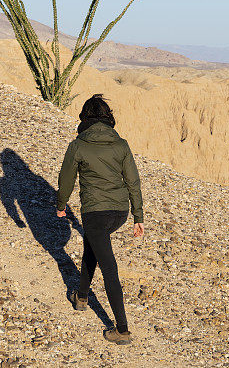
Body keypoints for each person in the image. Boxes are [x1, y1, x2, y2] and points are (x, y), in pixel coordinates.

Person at [56, 94, 144, 345]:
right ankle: (81, 297)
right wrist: (138, 216)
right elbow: (133, 182)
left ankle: (122, 330)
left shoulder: (78, 145)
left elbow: (66, 181)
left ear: (85, 117)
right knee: (92, 248)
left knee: (109, 269)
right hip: (119, 213)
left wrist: (61, 206)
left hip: (95, 213)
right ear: (108, 117)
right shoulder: (121, 145)